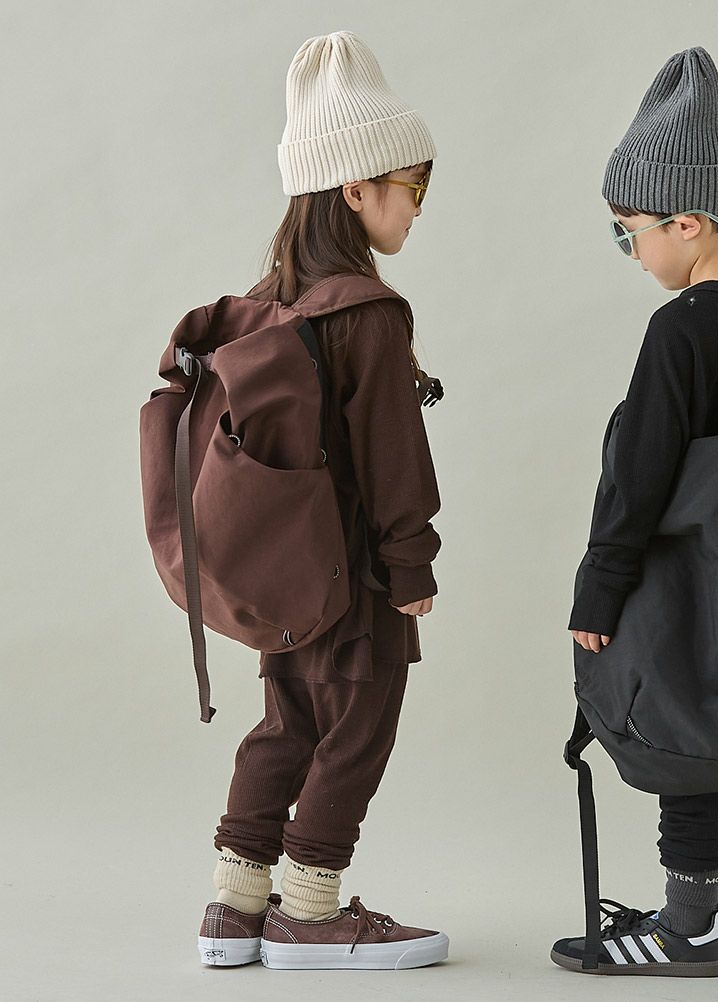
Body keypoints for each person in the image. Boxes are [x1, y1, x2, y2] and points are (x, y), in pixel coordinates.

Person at [552, 45, 718, 977]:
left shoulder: (680, 329)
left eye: (628, 232)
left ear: (687, 221)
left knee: (689, 725)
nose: (631, 252)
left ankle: (685, 927)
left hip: (680, 571)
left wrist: (601, 585)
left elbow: (642, 473)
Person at [196, 31, 449, 971]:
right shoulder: (367, 313)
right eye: (411, 186)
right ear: (355, 188)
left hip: (287, 576)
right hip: (358, 579)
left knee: (286, 725)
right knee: (358, 730)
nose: (416, 206)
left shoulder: (271, 301)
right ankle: (309, 909)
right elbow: (393, 454)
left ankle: (233, 910)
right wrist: (411, 565)